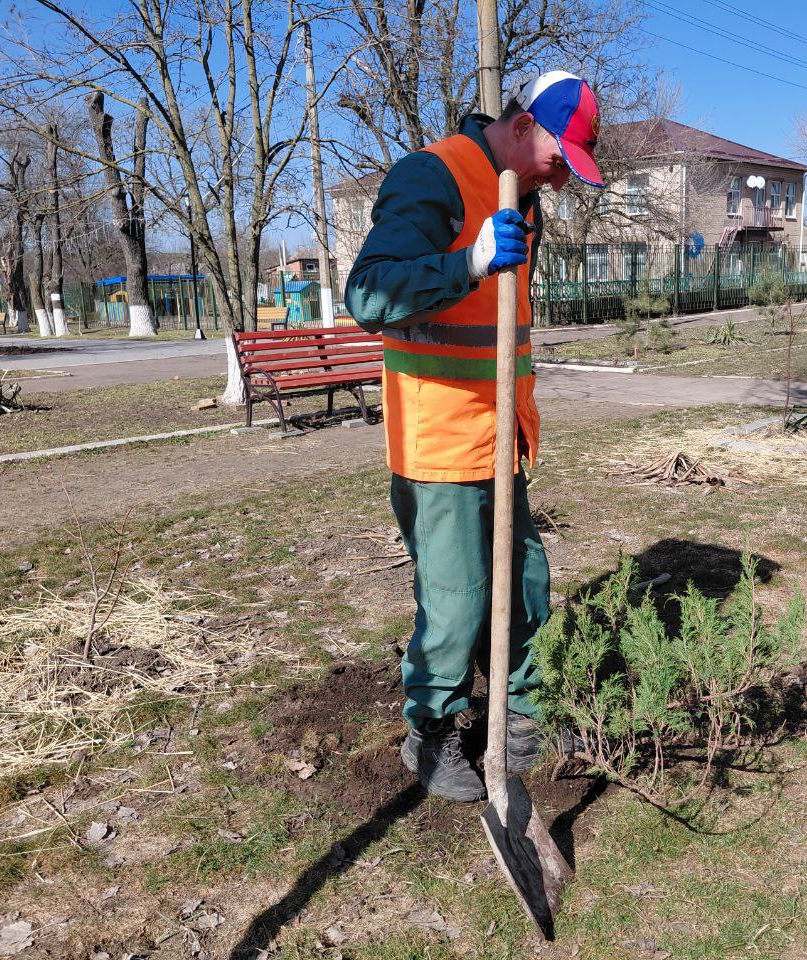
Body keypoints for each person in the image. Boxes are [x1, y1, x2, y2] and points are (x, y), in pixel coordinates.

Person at [345, 71, 604, 802]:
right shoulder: (433, 177)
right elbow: (368, 293)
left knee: (524, 582)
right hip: (440, 437)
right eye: (560, 160)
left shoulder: (519, 193)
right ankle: (430, 732)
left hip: (501, 433)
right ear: (524, 127)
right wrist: (470, 261)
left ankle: (521, 713)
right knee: (456, 597)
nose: (559, 182)